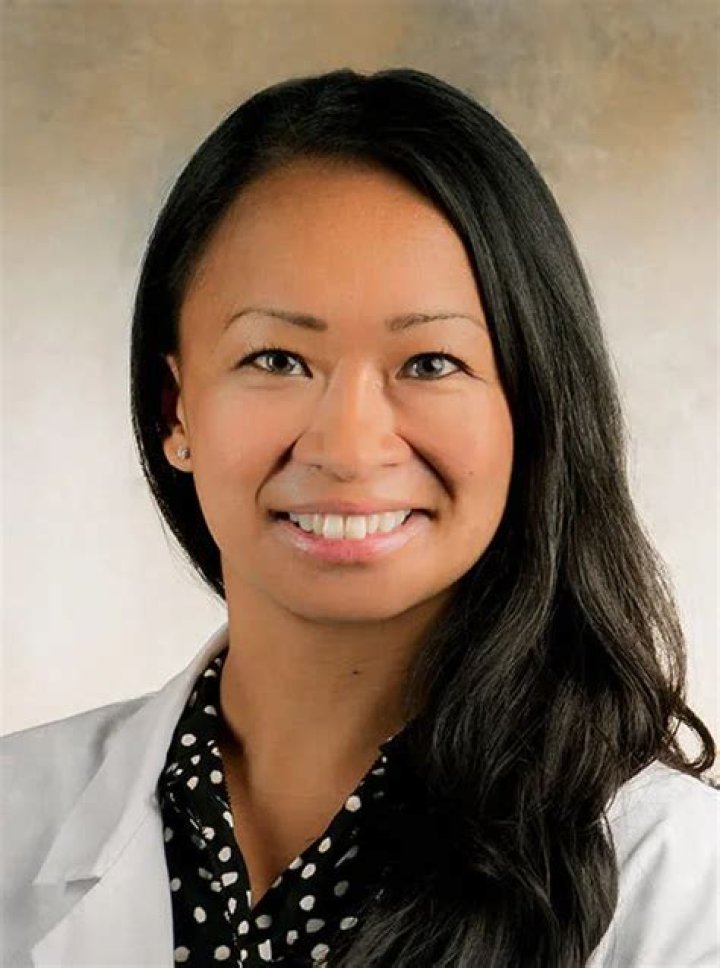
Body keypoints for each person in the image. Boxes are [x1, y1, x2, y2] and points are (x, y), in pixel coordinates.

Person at [1, 67, 717, 968]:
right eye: (276, 359)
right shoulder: (14, 814)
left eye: (430, 364)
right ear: (175, 411)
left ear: (532, 408)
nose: (347, 446)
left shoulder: (675, 881)